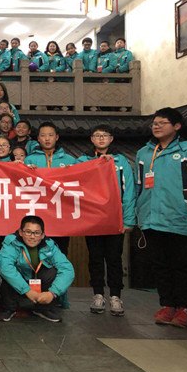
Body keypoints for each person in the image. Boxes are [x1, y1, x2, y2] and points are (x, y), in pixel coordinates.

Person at [135, 108, 187, 328]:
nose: (156, 126)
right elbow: (139, 186)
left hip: (181, 218)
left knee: (183, 266)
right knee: (160, 265)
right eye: (154, 123)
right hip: (151, 219)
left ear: (177, 126)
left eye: (162, 122)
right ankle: (167, 304)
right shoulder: (144, 153)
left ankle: (185, 308)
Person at [77, 125, 135, 316]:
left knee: (114, 259)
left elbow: (129, 192)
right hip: (93, 220)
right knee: (95, 258)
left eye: (105, 135)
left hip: (114, 220)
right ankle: (98, 294)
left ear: (111, 139)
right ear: (91, 139)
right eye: (97, 135)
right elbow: (73, 184)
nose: (101, 138)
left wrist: (128, 220)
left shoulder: (120, 161)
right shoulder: (83, 161)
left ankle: (116, 296)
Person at [0, 216, 74, 323]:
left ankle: (42, 309)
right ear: (21, 232)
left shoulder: (49, 245)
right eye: (28, 232)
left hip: (38, 279)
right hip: (20, 281)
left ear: (42, 235)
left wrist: (52, 293)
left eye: (37, 233)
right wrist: (27, 290)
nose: (32, 237)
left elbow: (67, 269)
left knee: (53, 272)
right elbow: (5, 267)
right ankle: (9, 308)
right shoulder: (12, 243)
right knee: (3, 272)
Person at [24, 122, 77, 256]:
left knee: (61, 252)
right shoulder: (29, 160)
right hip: (37, 213)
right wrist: (26, 171)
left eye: (50, 135)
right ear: (38, 138)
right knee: (36, 252)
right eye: (43, 135)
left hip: (61, 214)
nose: (47, 139)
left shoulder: (69, 160)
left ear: (57, 137)